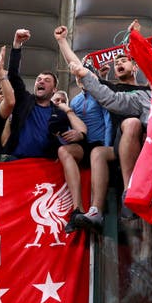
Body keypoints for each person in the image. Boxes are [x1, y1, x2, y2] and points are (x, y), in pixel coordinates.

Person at [54, 26, 113, 232]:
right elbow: (74, 125)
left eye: (84, 76)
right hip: (85, 145)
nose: (80, 80)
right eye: (77, 79)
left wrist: (108, 147)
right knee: (64, 151)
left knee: (98, 152)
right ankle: (77, 210)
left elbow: (108, 121)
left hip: (103, 146)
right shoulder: (77, 101)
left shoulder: (101, 93)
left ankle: (96, 210)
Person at [5, 29, 80, 160]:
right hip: (16, 161)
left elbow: (65, 138)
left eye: (47, 80)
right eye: (39, 79)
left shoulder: (59, 114)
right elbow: (13, 74)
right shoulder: (24, 100)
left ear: (54, 89)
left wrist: (77, 136)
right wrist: (17, 44)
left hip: (45, 166)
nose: (41, 82)